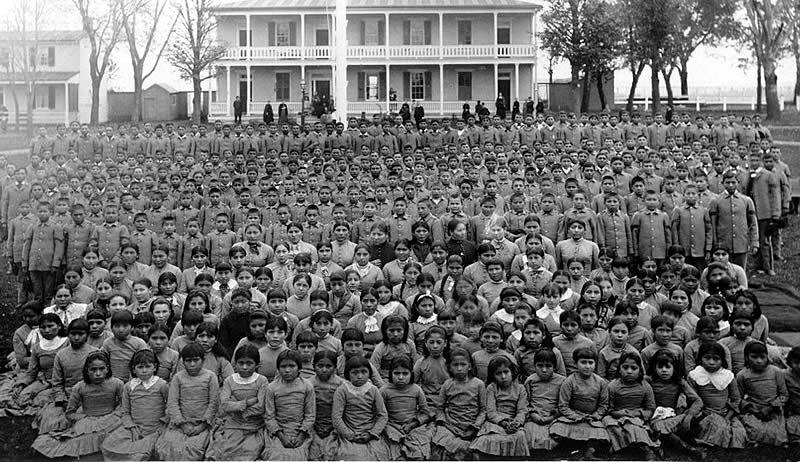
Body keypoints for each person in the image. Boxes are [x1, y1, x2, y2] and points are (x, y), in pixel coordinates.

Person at [32, 351, 124, 458]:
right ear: (87, 370)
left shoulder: (117, 384)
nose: (98, 373)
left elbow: (124, 405)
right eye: (93, 369)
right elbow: (70, 413)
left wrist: (116, 415)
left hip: (111, 419)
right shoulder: (80, 387)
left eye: (101, 369)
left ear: (107, 368)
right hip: (88, 421)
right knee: (82, 441)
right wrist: (82, 418)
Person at [101, 349, 170, 461]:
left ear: (155, 367)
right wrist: (132, 427)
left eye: (148, 366)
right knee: (109, 444)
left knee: (145, 452)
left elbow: (170, 407)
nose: (144, 371)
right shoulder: (129, 387)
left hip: (156, 429)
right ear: (134, 369)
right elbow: (125, 411)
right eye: (140, 367)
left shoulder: (162, 385)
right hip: (135, 427)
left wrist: (162, 426)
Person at [155, 342, 221, 460]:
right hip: (180, 423)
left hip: (203, 424)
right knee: (169, 446)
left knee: (194, 448)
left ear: (203, 360)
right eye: (188, 361)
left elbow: (214, 403)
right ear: (182, 361)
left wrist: (202, 425)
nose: (192, 364)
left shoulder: (211, 377)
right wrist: (182, 424)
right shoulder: (178, 377)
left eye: (196, 360)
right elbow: (172, 403)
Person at [330, 355, 390, 460]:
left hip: (369, 430)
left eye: (364, 372)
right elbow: (336, 417)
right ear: (348, 374)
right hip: (349, 430)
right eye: (355, 373)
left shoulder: (374, 390)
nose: (360, 376)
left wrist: (372, 433)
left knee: (379, 453)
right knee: (348, 454)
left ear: (369, 373)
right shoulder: (342, 391)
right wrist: (350, 435)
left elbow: (383, 415)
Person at [431, 347, 486, 460]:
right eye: (455, 365)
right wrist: (443, 421)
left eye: (463, 364)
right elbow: (440, 408)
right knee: (439, 442)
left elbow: (483, 410)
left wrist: (475, 426)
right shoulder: (447, 384)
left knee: (480, 443)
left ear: (470, 366)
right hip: (451, 425)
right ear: (450, 368)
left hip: (472, 425)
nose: (459, 368)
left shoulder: (478, 384)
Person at [470, 356, 529, 457]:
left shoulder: (520, 388)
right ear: (493, 376)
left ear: (512, 372)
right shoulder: (491, 388)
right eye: (498, 373)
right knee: (485, 439)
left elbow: (522, 410)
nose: (503, 376)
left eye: (506, 372)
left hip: (513, 421)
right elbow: (491, 412)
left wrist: (516, 423)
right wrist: (503, 422)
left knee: (519, 435)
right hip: (496, 422)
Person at [381, 356, 432, 460]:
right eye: (396, 373)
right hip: (391, 426)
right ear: (390, 373)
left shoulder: (416, 390)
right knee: (391, 452)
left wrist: (413, 424)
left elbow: (426, 413)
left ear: (411, 374)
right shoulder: (384, 391)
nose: (400, 377)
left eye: (405, 373)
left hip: (413, 426)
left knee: (418, 451)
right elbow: (379, 413)